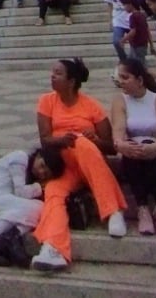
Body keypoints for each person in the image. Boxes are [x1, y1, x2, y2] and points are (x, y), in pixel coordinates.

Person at [30, 57, 128, 271]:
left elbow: (111, 146)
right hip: (63, 167)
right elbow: (44, 138)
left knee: (82, 143)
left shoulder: (91, 105)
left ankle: (113, 210)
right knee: (54, 191)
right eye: (52, 72)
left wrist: (93, 140)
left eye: (58, 73)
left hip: (90, 163)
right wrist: (62, 140)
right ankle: (53, 248)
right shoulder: (47, 101)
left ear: (71, 81)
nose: (52, 76)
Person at [111, 58, 156, 235]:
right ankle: (142, 208)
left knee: (148, 148)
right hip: (135, 158)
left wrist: (154, 148)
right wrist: (122, 145)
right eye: (119, 77)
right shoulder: (120, 101)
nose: (121, 81)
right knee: (135, 151)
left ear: (139, 80)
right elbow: (118, 130)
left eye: (125, 77)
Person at [0, 147, 65, 268]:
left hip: (4, 200)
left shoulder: (29, 171)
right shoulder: (20, 158)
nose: (41, 172)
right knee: (39, 208)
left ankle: (12, 238)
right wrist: (40, 187)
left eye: (45, 174)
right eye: (42, 166)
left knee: (39, 209)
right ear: (38, 156)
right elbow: (21, 193)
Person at [104, 0, 137, 67]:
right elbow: (109, 5)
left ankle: (136, 62)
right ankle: (124, 60)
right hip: (118, 19)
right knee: (116, 41)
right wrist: (110, 20)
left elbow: (137, 1)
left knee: (134, 43)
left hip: (130, 19)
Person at [119, 0, 151, 67]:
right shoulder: (142, 15)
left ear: (130, 4)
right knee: (132, 63)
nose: (124, 7)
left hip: (137, 45)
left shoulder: (133, 17)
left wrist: (123, 40)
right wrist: (151, 45)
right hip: (142, 44)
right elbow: (147, 30)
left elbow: (133, 31)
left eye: (124, 5)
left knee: (141, 66)